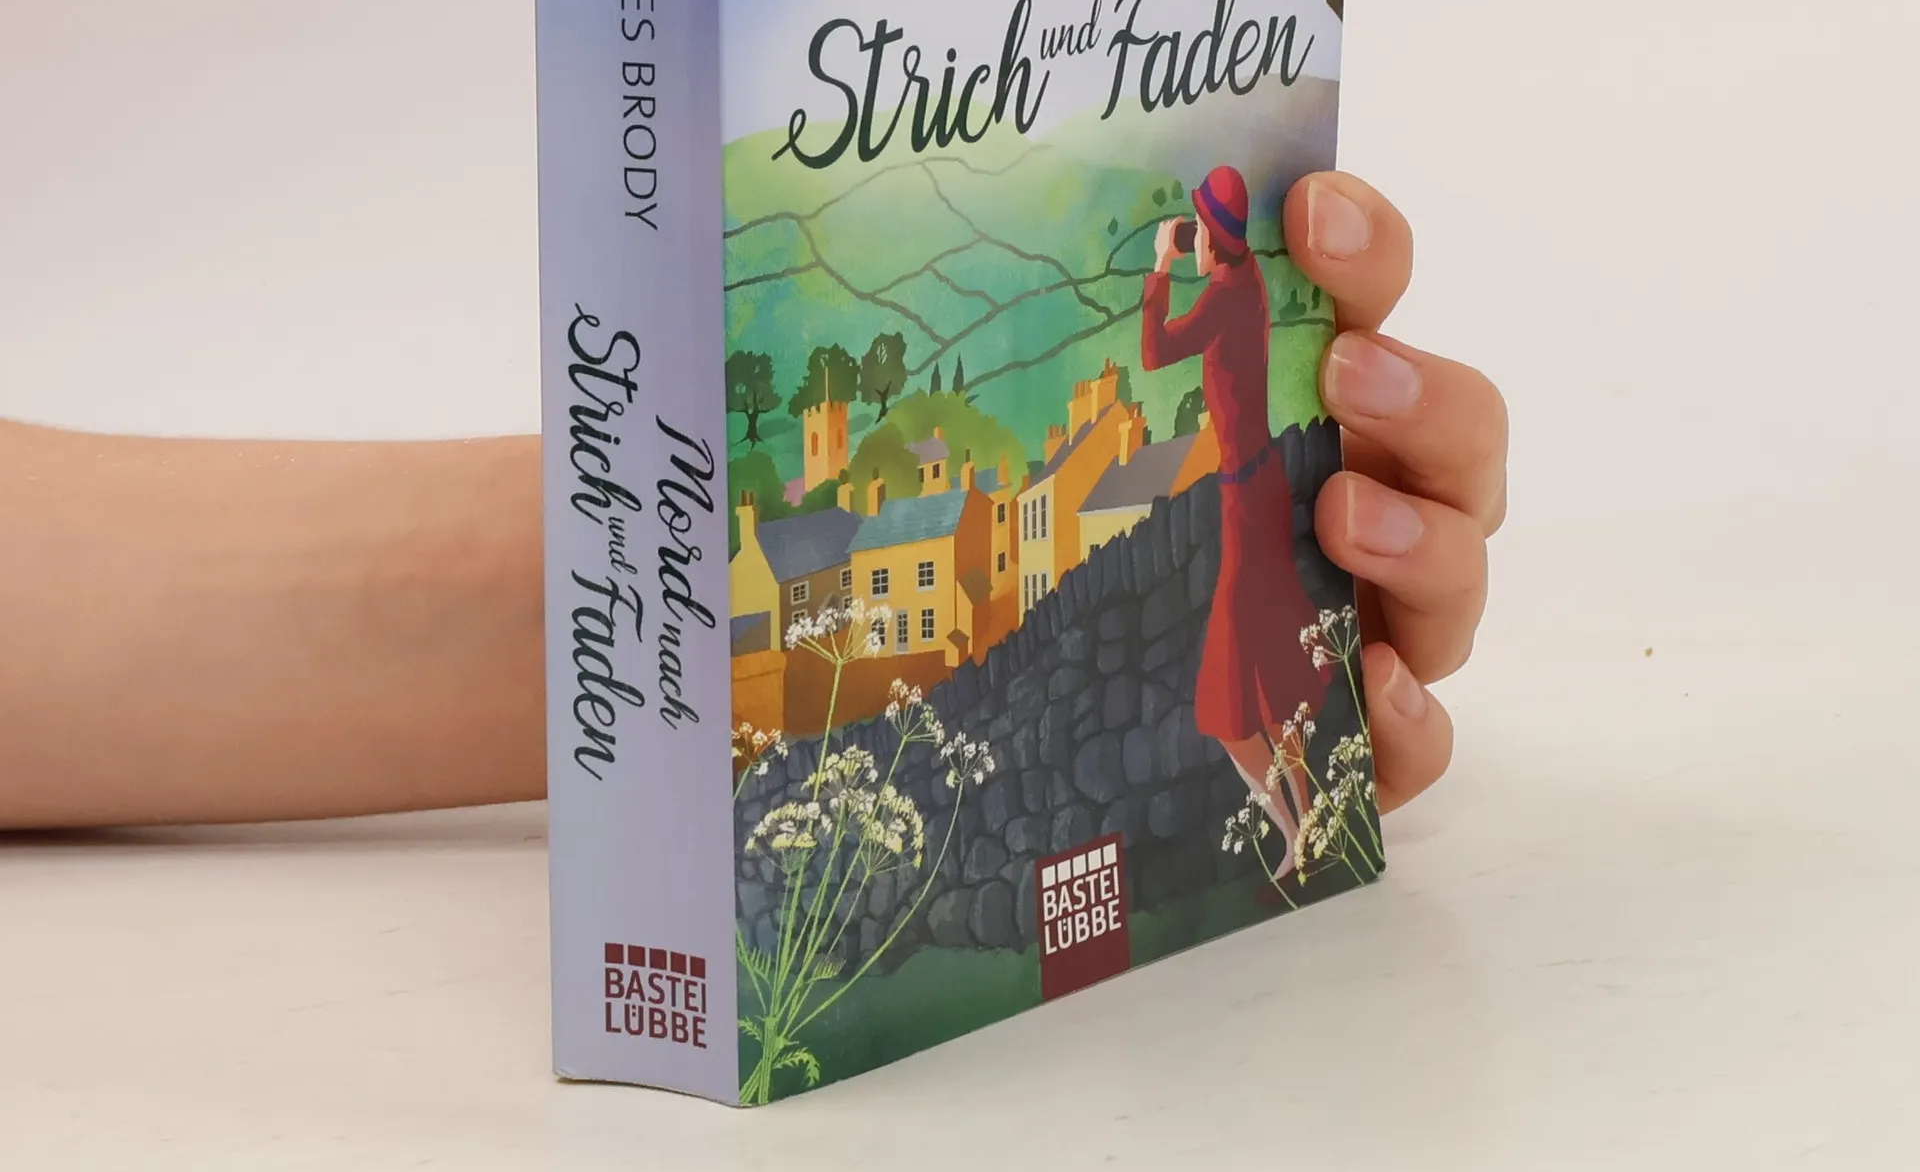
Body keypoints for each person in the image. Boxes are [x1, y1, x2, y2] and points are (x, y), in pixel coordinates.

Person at [0, 171, 1505, 833]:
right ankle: (1282, 821)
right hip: (1220, 486)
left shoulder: (1203, 320)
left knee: (1238, 666)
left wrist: (627, 586)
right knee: (1241, 667)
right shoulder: (1201, 327)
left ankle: (1279, 821)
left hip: (1218, 487)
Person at [1143, 163, 1329, 873]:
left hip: (1245, 502)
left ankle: (1293, 828)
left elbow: (1155, 352)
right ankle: (1306, 820)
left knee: (1226, 697)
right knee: (1271, 669)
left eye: (1196, 229)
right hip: (1262, 484)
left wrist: (1160, 267)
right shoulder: (1245, 279)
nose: (1189, 238)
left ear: (1211, 240)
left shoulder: (1223, 296)